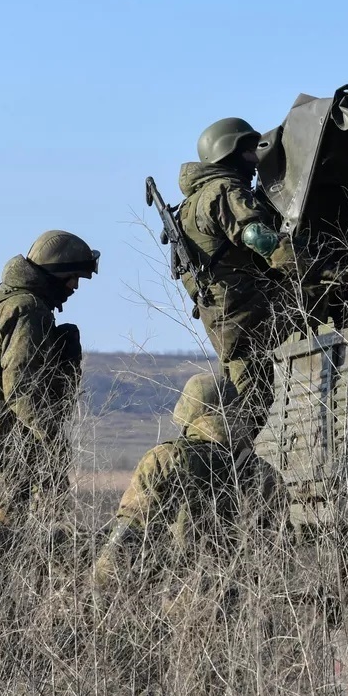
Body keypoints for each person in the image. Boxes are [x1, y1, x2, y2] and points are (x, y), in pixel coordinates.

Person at [0, 230, 98, 597]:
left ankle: (8, 603)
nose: (74, 288)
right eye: (72, 278)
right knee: (14, 526)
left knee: (10, 521)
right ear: (53, 274)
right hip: (15, 436)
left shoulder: (0, 299)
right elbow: (20, 386)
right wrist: (51, 436)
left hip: (1, 431)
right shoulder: (29, 310)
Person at [176, 117, 304, 441]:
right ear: (228, 153)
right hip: (245, 310)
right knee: (251, 404)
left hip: (223, 315)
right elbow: (253, 233)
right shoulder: (224, 189)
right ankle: (220, 472)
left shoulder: (190, 204)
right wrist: (298, 266)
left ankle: (216, 469)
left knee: (237, 396)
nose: (255, 160)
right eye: (248, 152)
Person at [92, 373, 283, 587]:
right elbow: (279, 558)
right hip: (246, 606)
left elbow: (127, 537)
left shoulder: (167, 458)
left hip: (174, 601)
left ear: (188, 411)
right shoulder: (266, 474)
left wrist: (101, 594)